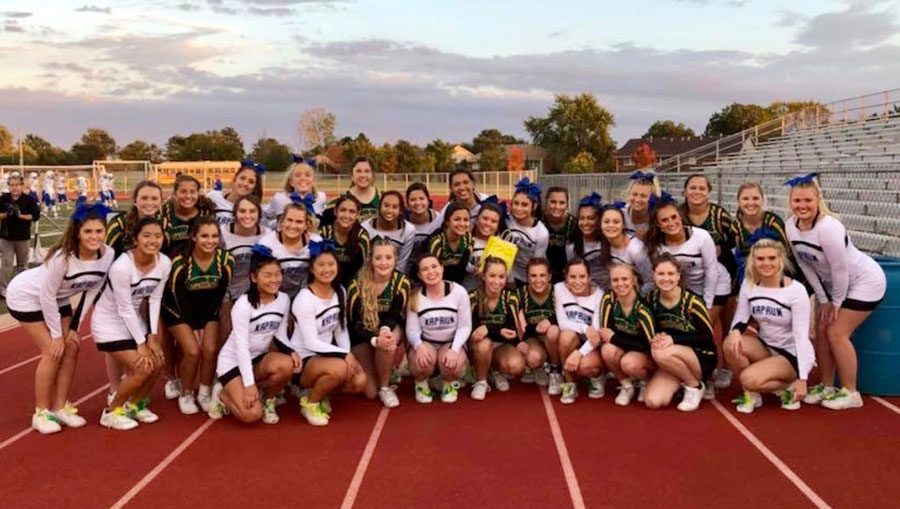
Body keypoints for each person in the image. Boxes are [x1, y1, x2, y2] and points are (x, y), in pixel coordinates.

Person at [6, 202, 114, 434]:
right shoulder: (62, 258)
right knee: (52, 351)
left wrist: (75, 327)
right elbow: (46, 297)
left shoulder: (108, 254)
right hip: (26, 296)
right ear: (77, 232)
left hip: (59, 298)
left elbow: (92, 290)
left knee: (73, 347)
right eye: (88, 231)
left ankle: (60, 407)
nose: (94, 236)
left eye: (99, 231)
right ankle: (41, 413)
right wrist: (56, 335)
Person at [784, 173, 886, 410]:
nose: (802, 206)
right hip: (832, 287)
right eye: (797, 201)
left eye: (808, 201)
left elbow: (840, 270)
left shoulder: (828, 227)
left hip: (864, 282)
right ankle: (827, 385)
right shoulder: (791, 226)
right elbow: (806, 264)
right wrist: (822, 298)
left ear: (818, 200)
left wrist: (836, 302)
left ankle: (851, 392)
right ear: (790, 202)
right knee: (819, 329)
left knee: (836, 332)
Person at [646, 193, 731, 397]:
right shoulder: (659, 246)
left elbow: (711, 270)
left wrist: (707, 302)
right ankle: (683, 370)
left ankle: (709, 375)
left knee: (706, 326)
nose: (671, 222)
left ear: (680, 216)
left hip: (714, 284)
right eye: (664, 220)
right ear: (658, 225)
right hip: (685, 287)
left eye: (674, 217)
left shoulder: (701, 236)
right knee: (686, 328)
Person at [90, 217, 171, 430]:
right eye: (146, 236)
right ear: (135, 239)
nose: (152, 240)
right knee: (143, 367)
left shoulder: (164, 263)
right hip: (109, 323)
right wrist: (141, 344)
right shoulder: (122, 266)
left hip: (134, 321)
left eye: (157, 236)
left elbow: (154, 299)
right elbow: (124, 307)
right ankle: (111, 412)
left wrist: (152, 337)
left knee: (159, 363)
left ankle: (134, 405)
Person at [208, 245, 299, 424]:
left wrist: (291, 352)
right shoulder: (243, 305)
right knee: (251, 415)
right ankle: (221, 394)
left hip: (257, 359)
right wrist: (249, 386)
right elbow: (241, 347)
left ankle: (267, 400)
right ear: (254, 277)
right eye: (267, 275)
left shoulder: (283, 299)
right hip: (233, 363)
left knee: (287, 365)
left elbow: (279, 335)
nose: (274, 280)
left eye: (277, 274)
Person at [725, 239, 814, 414]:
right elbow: (741, 317)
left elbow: (801, 336)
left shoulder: (796, 290)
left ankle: (788, 385)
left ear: (781, 260)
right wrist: (734, 331)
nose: (766, 263)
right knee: (730, 344)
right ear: (753, 260)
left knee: (747, 378)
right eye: (760, 259)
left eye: (772, 258)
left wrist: (803, 378)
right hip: (766, 346)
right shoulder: (749, 284)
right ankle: (754, 393)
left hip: (791, 353)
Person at [289, 239, 367, 426]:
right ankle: (310, 402)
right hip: (305, 359)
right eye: (321, 265)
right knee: (340, 369)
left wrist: (346, 353)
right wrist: (344, 355)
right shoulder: (304, 299)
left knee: (360, 380)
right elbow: (311, 342)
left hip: (329, 356)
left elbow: (340, 329)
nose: (327, 269)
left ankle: (321, 391)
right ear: (312, 269)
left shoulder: (339, 291)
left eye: (331, 264)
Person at [162, 216, 234, 415]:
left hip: (207, 309)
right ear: (193, 237)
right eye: (204, 236)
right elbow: (176, 295)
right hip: (177, 310)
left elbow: (219, 294)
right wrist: (193, 327)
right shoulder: (179, 262)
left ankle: (204, 392)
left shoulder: (226, 260)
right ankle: (186, 393)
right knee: (193, 351)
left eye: (214, 236)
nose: (210, 241)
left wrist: (204, 323)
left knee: (210, 349)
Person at [644, 254, 718, 412]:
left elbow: (707, 338)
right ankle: (681, 383)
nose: (666, 278)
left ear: (678, 276)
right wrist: (657, 336)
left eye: (670, 274)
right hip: (671, 358)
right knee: (652, 401)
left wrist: (673, 339)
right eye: (661, 274)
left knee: (659, 352)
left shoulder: (692, 301)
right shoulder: (651, 299)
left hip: (700, 356)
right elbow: (651, 328)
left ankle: (695, 386)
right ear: (653, 275)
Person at [347, 238, 411, 408]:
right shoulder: (357, 285)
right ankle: (383, 371)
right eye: (378, 258)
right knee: (370, 392)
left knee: (388, 341)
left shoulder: (401, 282)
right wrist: (374, 340)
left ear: (395, 260)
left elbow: (394, 315)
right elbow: (354, 325)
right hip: (363, 335)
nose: (384, 263)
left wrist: (383, 331)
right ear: (371, 260)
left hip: (388, 328)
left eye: (388, 258)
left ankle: (385, 386)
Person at [405, 254, 472, 404]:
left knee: (452, 365)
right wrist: (419, 346)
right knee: (421, 362)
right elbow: (412, 330)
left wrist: (454, 349)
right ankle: (421, 383)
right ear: (419, 274)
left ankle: (448, 382)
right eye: (425, 269)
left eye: (434, 267)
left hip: (449, 342)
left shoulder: (459, 292)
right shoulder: (415, 296)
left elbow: (465, 326)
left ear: (442, 268)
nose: (431, 272)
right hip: (427, 341)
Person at [592, 264, 656, 406]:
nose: (620, 284)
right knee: (607, 349)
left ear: (633, 280)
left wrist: (615, 338)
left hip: (645, 353)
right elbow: (605, 332)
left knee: (629, 363)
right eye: (615, 280)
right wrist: (614, 339)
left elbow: (648, 345)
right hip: (625, 346)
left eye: (625, 279)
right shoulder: (609, 298)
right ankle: (627, 385)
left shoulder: (642, 309)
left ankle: (645, 381)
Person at [469, 257, 525, 400]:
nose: (497, 281)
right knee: (483, 343)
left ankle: (494, 370)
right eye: (492, 275)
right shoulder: (473, 297)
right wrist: (495, 330)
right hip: (478, 345)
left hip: (500, 345)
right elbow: (472, 330)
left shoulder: (510, 298)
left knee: (516, 365)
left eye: (501, 276)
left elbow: (511, 329)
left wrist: (489, 328)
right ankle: (481, 381)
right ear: (483, 276)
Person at [555, 258, 605, 404]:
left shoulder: (599, 295)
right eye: (572, 277)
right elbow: (562, 323)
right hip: (573, 338)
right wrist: (584, 328)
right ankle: (570, 383)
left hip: (591, 345)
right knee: (565, 336)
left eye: (582, 277)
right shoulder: (559, 289)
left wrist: (579, 354)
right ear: (566, 277)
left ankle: (597, 377)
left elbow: (595, 336)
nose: (577, 281)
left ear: (590, 278)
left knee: (585, 367)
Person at [258, 202, 321, 299]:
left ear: (306, 225)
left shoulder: (316, 242)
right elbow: (261, 280)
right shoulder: (267, 244)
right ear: (282, 221)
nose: (293, 225)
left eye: (299, 222)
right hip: (273, 296)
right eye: (289, 220)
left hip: (305, 297)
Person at [502, 178, 549, 286]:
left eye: (524, 205)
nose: (518, 208)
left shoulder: (541, 233)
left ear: (534, 206)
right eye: (516, 203)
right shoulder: (506, 220)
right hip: (508, 274)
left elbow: (537, 265)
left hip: (529, 278)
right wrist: (510, 279)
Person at [598, 204, 653, 294]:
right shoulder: (603, 244)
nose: (611, 225)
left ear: (623, 225)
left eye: (616, 222)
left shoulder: (636, 250)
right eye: (606, 222)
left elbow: (650, 282)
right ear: (600, 224)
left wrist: (635, 300)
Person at [516, 258, 555, 388]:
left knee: (553, 331)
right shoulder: (520, 294)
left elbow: (568, 318)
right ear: (527, 277)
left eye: (542, 275)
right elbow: (519, 325)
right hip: (534, 338)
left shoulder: (558, 292)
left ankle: (557, 369)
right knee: (533, 358)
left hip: (555, 340)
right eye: (533, 275)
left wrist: (550, 321)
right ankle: (539, 368)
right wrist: (520, 341)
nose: (538, 280)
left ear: (549, 276)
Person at [319, 194, 371, 289]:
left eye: (352, 212)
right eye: (343, 210)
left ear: (357, 215)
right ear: (335, 211)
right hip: (326, 282)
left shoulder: (362, 237)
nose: (347, 215)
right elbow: (317, 264)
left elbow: (365, 268)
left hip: (354, 284)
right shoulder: (324, 233)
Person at [0, 174, 40, 296]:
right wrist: (7, 214)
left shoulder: (29, 200)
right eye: (12, 185)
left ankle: (20, 287)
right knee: (7, 263)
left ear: (21, 185)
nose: (14, 188)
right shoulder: (3, 199)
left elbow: (35, 216)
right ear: (9, 186)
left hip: (22, 237)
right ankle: (3, 289)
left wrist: (19, 215)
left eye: (17, 185)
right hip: (6, 236)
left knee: (22, 265)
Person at [360, 191, 416, 274]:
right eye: (386, 205)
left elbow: (402, 263)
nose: (389, 210)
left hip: (395, 275)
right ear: (379, 207)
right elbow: (365, 260)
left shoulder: (408, 230)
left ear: (400, 210)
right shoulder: (365, 227)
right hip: (370, 274)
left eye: (395, 207)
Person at [264, 156, 327, 227]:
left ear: (313, 180)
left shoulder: (321, 198)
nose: (303, 178)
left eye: (307, 175)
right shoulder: (280, 199)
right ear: (291, 182)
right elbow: (265, 214)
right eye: (298, 175)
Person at [161, 174, 214, 259]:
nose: (188, 196)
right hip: (167, 262)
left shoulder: (206, 214)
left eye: (192, 192)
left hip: (197, 262)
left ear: (198, 194)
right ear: (174, 194)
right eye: (183, 192)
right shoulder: (163, 213)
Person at [105, 181, 164, 257]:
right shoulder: (118, 225)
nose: (149, 203)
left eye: (154, 198)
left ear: (161, 201)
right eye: (144, 198)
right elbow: (104, 256)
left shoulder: (164, 224)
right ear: (135, 200)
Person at [322, 157, 381, 226]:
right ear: (352, 175)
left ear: (373, 175)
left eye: (367, 171)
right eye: (358, 171)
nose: (363, 175)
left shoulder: (384, 201)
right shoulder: (336, 204)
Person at [207, 159, 264, 229]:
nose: (245, 183)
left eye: (251, 182)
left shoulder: (254, 211)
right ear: (235, 179)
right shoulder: (213, 196)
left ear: (255, 187)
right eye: (242, 178)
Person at [426, 202, 473, 285]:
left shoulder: (468, 238)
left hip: (457, 283)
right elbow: (431, 272)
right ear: (447, 221)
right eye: (457, 219)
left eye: (466, 220)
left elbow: (462, 267)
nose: (462, 224)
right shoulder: (437, 242)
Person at [566, 193, 604, 288]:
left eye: (591, 218)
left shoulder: (608, 242)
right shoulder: (572, 246)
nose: (585, 223)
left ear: (599, 219)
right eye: (582, 218)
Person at [463, 201, 503, 291]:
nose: (488, 223)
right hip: (468, 293)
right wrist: (473, 269)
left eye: (493, 221)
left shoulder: (502, 246)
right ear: (477, 220)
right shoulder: (465, 241)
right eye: (485, 218)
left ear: (498, 225)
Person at [543, 187, 576, 283]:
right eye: (553, 202)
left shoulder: (573, 224)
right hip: (542, 275)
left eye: (562, 203)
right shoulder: (539, 221)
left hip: (567, 276)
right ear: (546, 202)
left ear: (567, 204)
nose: (557, 206)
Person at [623, 171, 661, 240]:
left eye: (643, 196)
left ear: (652, 198)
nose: (637, 200)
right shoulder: (620, 214)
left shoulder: (657, 218)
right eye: (634, 194)